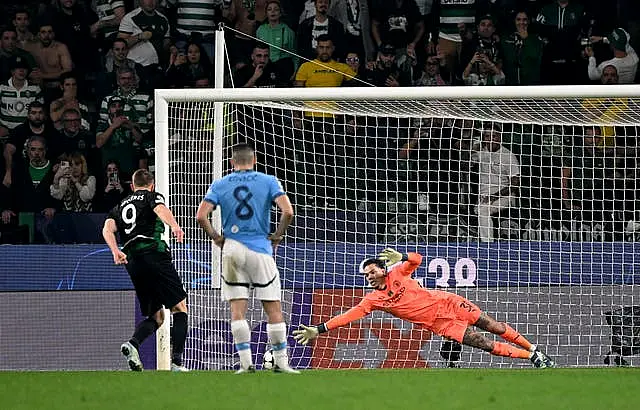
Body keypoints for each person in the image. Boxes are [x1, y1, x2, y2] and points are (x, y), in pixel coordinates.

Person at [294, 248, 556, 368]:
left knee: (495, 326)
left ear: (381, 269)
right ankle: (532, 358)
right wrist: (319, 329)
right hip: (442, 324)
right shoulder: (373, 299)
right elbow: (349, 315)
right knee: (484, 344)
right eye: (365, 275)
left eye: (371, 271)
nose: (369, 277)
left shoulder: (398, 272)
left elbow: (417, 260)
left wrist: (403, 257)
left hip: (449, 302)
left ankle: (533, 347)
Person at [195, 143, 297, 374]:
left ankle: (245, 364)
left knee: (237, 310)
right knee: (273, 307)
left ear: (232, 162)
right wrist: (278, 236)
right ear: (255, 160)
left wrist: (216, 238)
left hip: (232, 247)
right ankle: (281, 362)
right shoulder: (268, 180)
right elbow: (288, 212)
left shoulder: (220, 184)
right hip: (260, 247)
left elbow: (201, 216)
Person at [102, 169, 189, 372]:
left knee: (157, 316)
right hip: (153, 254)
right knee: (179, 308)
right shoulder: (152, 196)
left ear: (132, 186)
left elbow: (107, 229)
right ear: (152, 185)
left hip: (133, 262)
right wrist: (175, 226)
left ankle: (132, 344)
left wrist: (115, 251)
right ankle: (177, 363)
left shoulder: (120, 205)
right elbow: (159, 209)